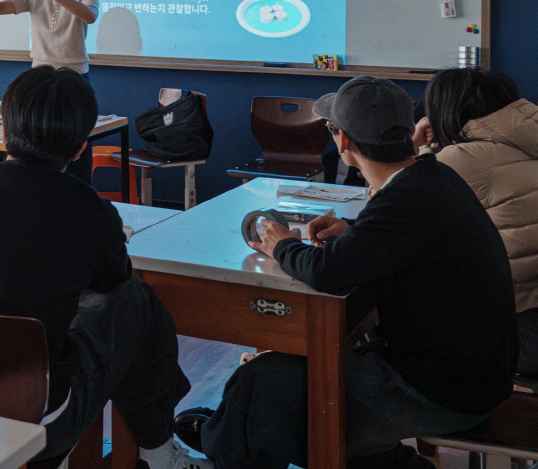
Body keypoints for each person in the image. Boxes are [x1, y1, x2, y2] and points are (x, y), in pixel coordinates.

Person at [182, 76, 517, 469]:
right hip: (474, 378)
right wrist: (355, 231)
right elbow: (404, 240)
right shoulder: (432, 178)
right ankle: (226, 434)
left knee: (266, 380)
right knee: (273, 385)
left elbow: (326, 271)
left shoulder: (403, 200)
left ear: (342, 141)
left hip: (438, 393)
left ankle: (221, 441)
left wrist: (280, 243)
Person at [0, 66, 193, 467]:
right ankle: (156, 451)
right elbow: (112, 285)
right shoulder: (89, 210)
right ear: (82, 146)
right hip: (34, 414)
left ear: (5, 130)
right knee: (136, 299)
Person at [414, 67, 538, 375]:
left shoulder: (464, 159)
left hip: (514, 330)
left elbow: (393, 210)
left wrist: (417, 148)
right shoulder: (524, 138)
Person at [0, 0, 100, 182]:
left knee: (73, 147)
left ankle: (79, 194)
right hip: (39, 79)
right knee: (35, 145)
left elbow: (89, 16)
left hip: (74, 80)